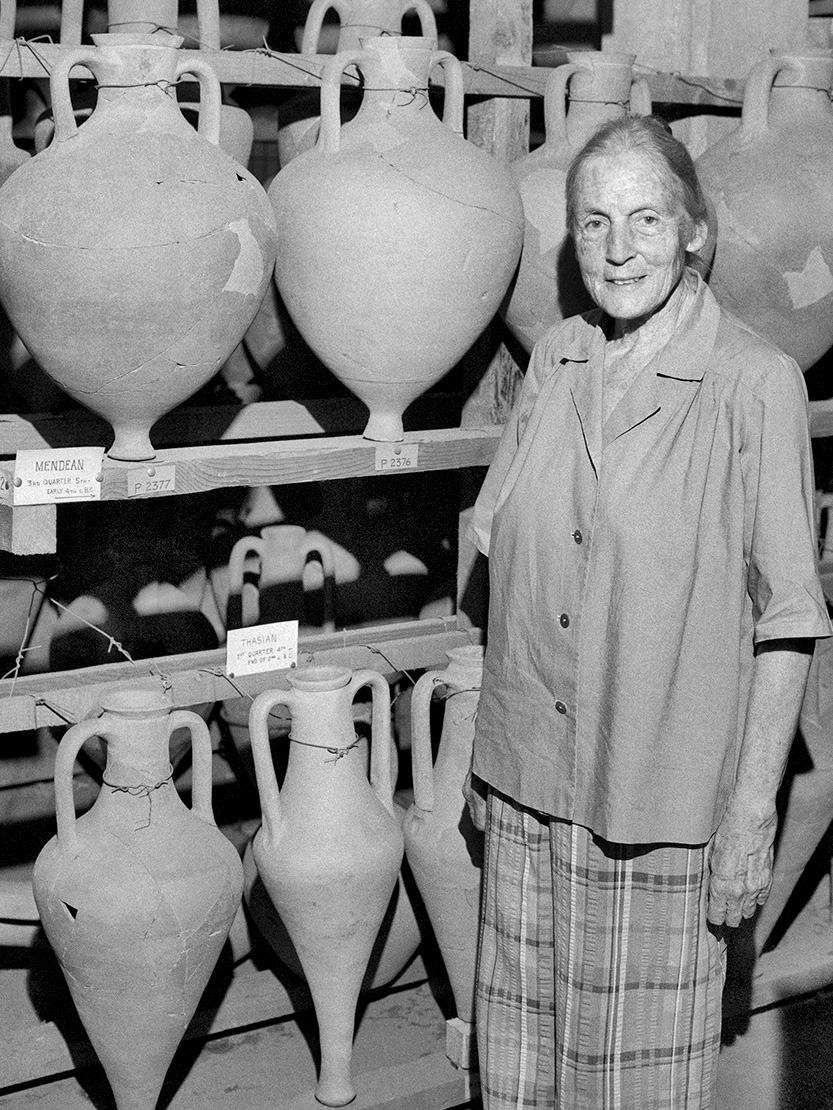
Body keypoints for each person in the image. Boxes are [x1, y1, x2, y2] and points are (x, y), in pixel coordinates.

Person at [463, 114, 832, 1110]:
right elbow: (495, 544)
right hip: (527, 797)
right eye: (593, 224)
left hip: (657, 811)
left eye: (644, 218)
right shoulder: (556, 363)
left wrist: (748, 815)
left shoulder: (752, 383)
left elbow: (788, 616)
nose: (618, 249)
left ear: (693, 231)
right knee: (518, 1083)